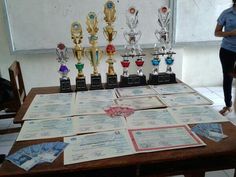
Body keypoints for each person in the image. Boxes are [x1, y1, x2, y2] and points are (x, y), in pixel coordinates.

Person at [214, 0, 236, 116]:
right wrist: (231, 33)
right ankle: (228, 105)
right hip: (227, 50)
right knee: (228, 78)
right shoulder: (226, 13)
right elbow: (216, 32)